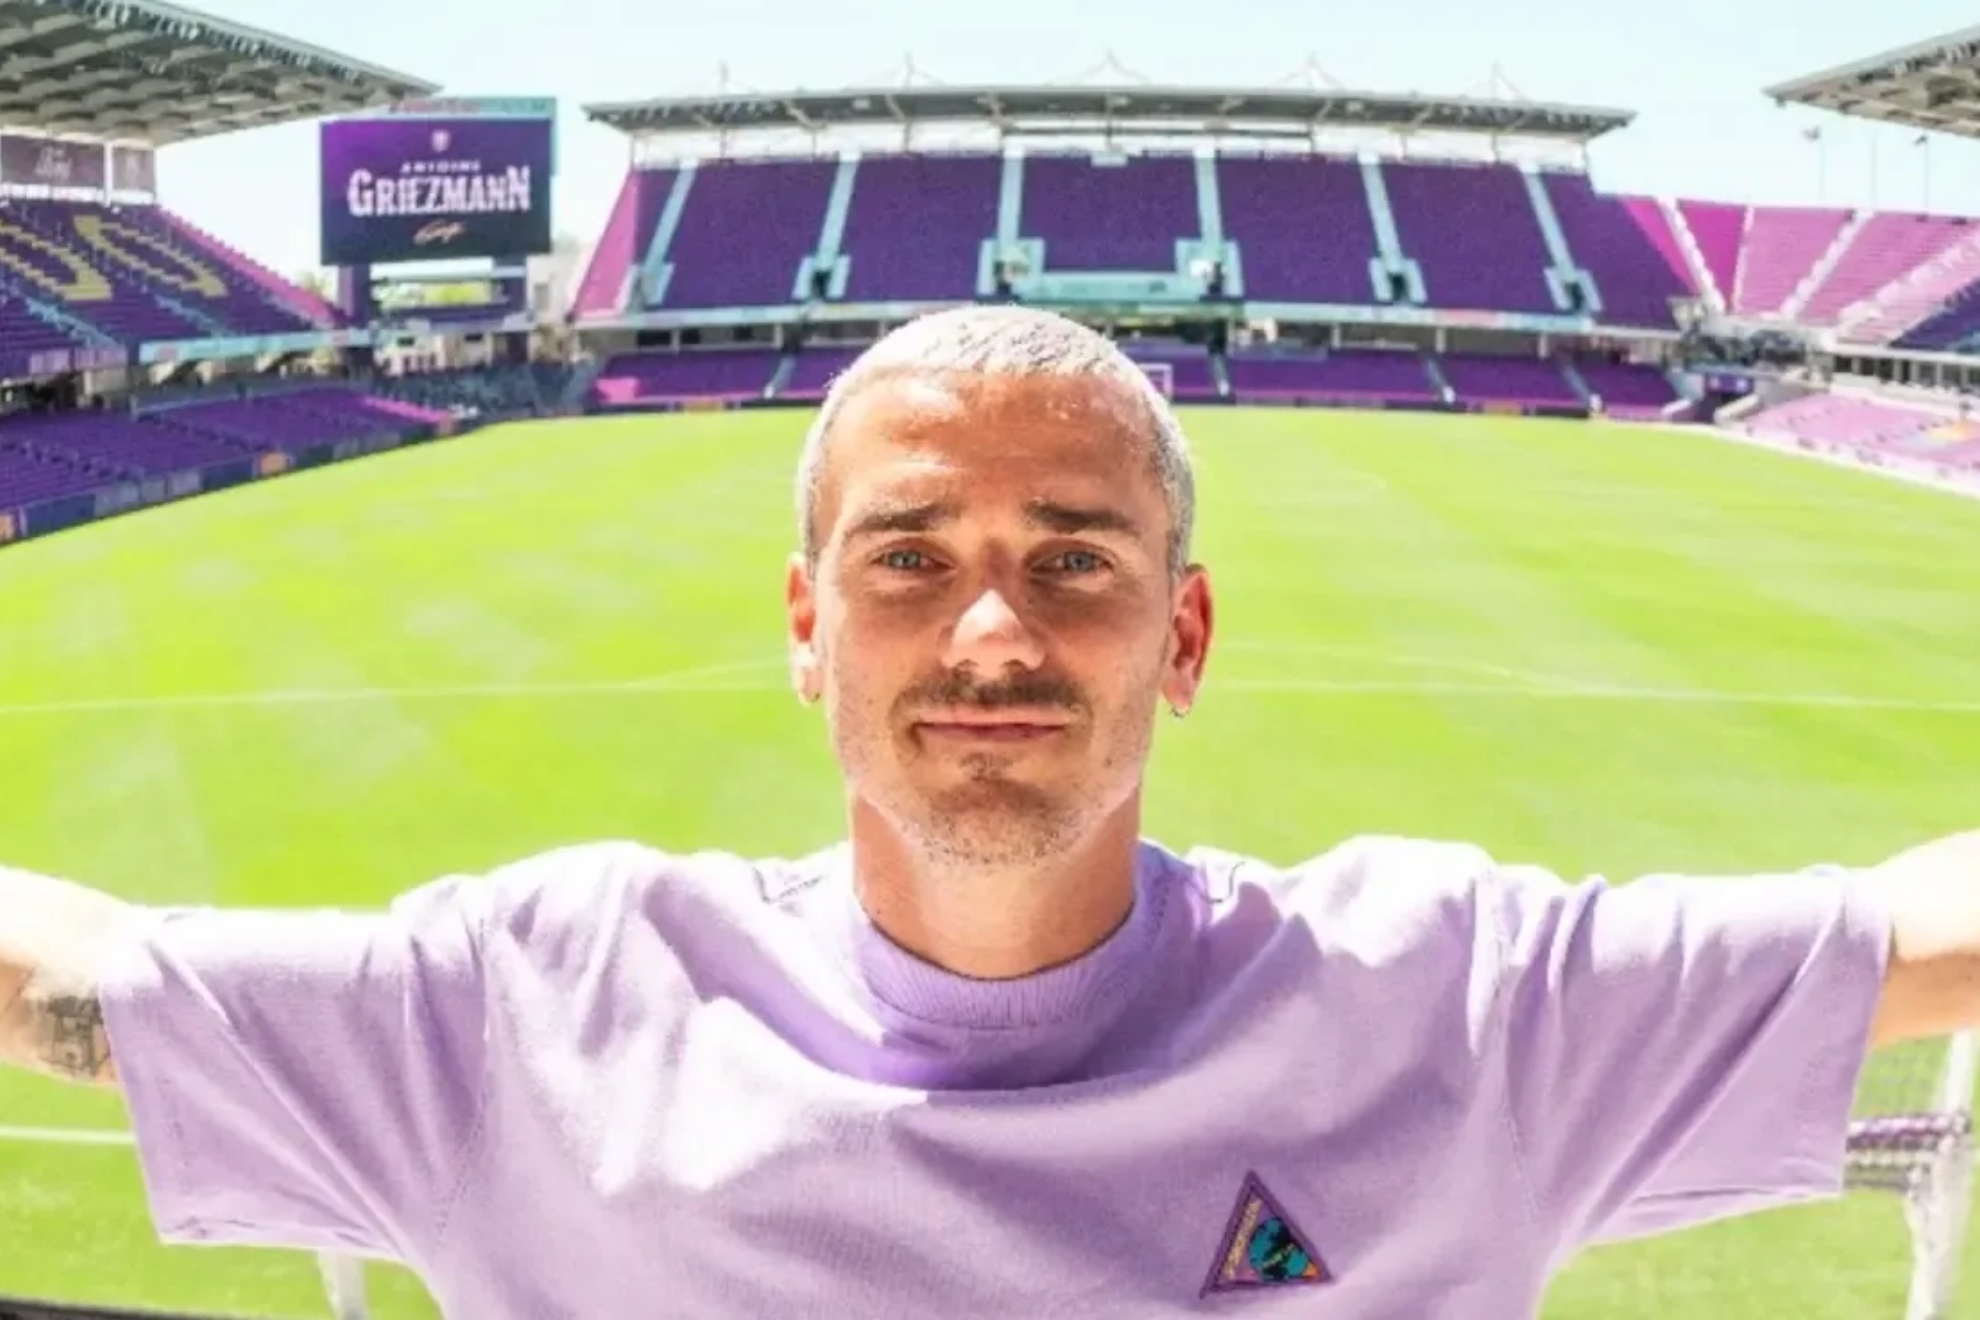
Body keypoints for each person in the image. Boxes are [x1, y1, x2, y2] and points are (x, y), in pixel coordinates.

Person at [1, 304, 1975, 1319]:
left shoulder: (1460, 1005)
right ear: (803, 627)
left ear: (1183, 633)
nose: (990, 630)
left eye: (1077, 560)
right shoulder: (533, 1009)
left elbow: (1919, 933)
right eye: (908, 554)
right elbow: (71, 981)